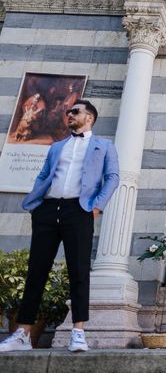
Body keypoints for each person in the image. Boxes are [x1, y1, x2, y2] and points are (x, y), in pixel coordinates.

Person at [0, 100, 119, 353]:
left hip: (79, 211)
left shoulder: (104, 146)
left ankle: (78, 332)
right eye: (68, 111)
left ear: (89, 118)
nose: (69, 114)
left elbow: (113, 177)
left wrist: (97, 206)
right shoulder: (57, 147)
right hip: (47, 210)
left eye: (75, 111)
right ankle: (22, 333)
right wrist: (37, 203)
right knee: (36, 271)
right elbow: (44, 175)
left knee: (79, 271)